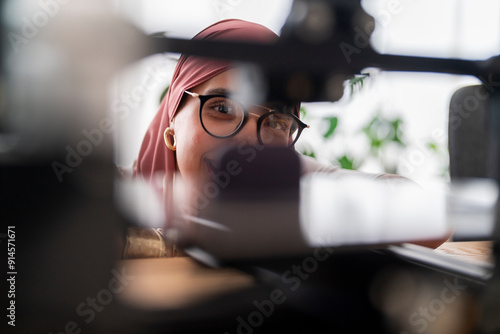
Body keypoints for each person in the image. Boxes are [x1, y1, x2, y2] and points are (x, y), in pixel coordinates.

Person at [130, 19, 448, 255]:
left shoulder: (279, 189)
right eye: (223, 108)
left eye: (276, 122)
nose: (248, 142)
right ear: (172, 127)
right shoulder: (112, 206)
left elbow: (429, 220)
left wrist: (308, 181)